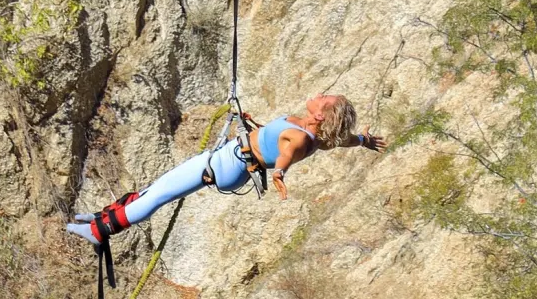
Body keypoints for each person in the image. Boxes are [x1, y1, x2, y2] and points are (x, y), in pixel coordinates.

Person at [66, 95, 386, 247]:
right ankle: (100, 218)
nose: (319, 95)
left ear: (321, 113)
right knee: (158, 187)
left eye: (325, 99)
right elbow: (342, 141)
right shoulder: (315, 135)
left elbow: (287, 152)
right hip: (234, 160)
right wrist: (363, 140)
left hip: (228, 164)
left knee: (161, 192)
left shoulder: (302, 137)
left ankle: (99, 232)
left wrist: (280, 174)